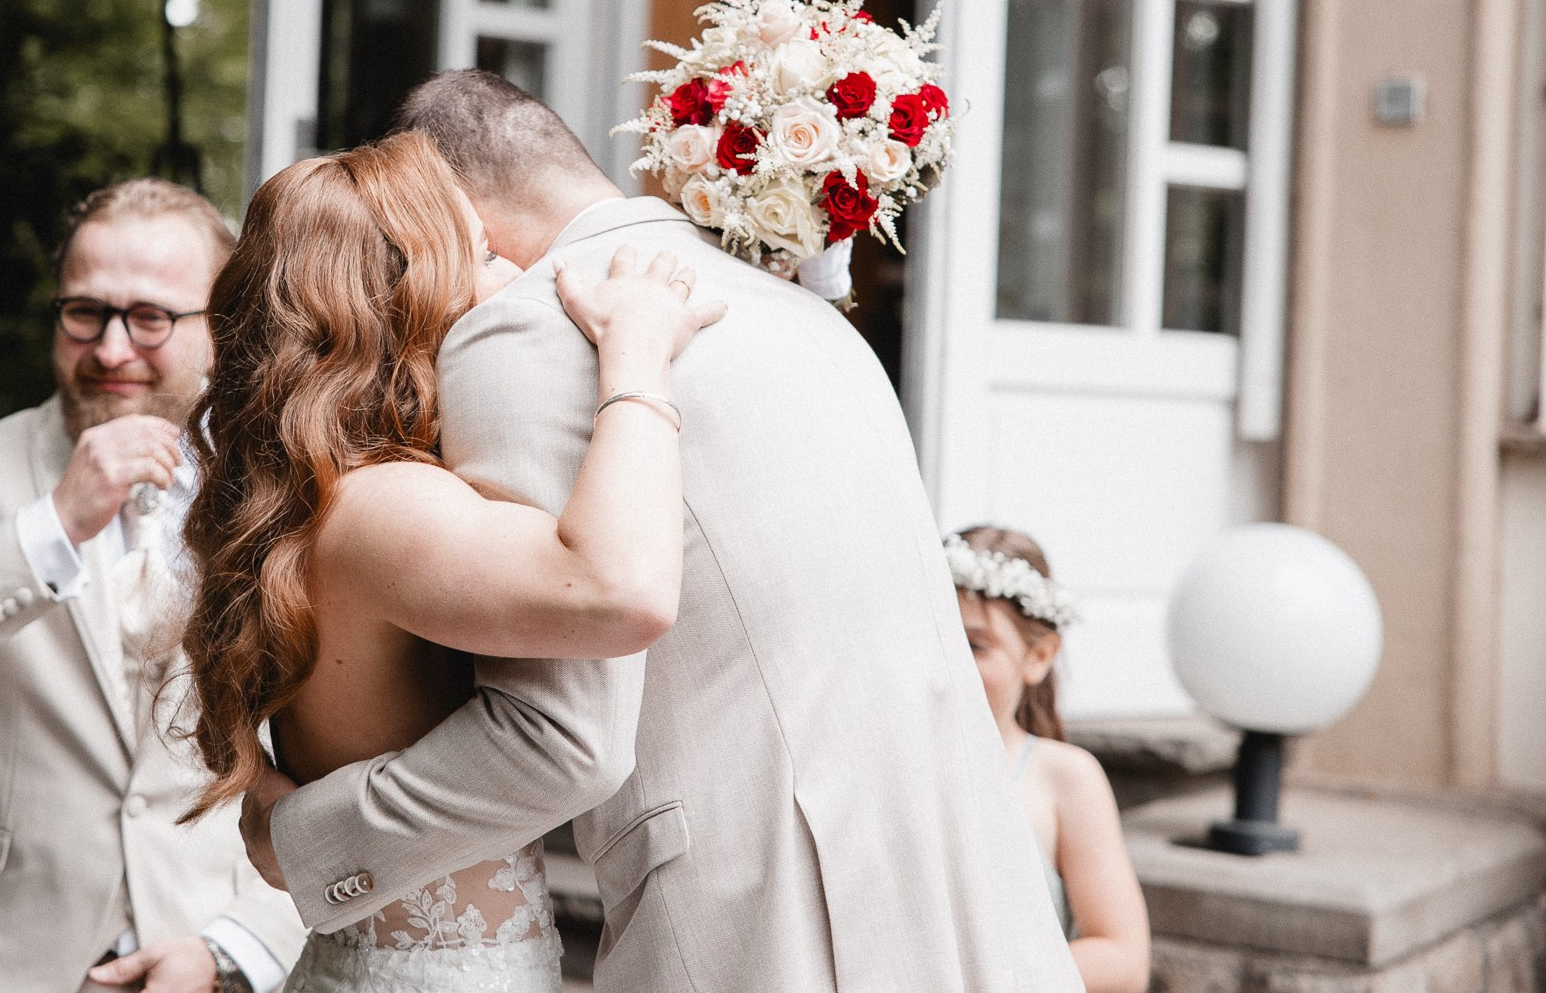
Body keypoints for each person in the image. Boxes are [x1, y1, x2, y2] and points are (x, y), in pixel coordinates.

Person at [242, 70, 1085, 992]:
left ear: (441, 207)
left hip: (766, 924)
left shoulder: (526, 330)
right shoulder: (806, 314)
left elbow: (560, 737)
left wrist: (307, 842)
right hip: (968, 904)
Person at [169, 130, 720, 993]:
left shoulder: (315, 497)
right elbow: (619, 589)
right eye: (485, 254)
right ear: (407, 295)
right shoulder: (380, 505)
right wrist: (637, 356)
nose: (518, 275)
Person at [0, 178, 304, 993]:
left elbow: (350, 763)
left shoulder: (289, 496)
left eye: (150, 317)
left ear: (224, 323)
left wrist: (238, 947)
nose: (110, 349)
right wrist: (52, 525)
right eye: (85, 312)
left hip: (203, 957)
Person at [949, 527, 1151, 993]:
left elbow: (1122, 957)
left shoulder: (1063, 779)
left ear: (1038, 656)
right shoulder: (884, 771)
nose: (949, 663)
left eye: (975, 645)